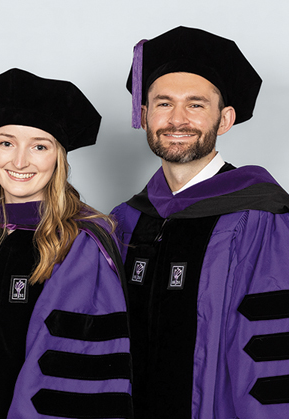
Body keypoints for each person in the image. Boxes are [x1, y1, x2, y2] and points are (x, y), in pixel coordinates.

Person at [0, 68, 132, 419]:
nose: (19, 161)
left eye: (39, 146)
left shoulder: (80, 242)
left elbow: (72, 371)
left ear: (59, 158)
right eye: (7, 143)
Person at [112, 26, 289, 418]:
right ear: (144, 116)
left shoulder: (263, 219)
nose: (177, 119)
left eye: (195, 105)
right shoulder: (126, 220)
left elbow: (273, 356)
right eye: (163, 103)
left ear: (224, 119)